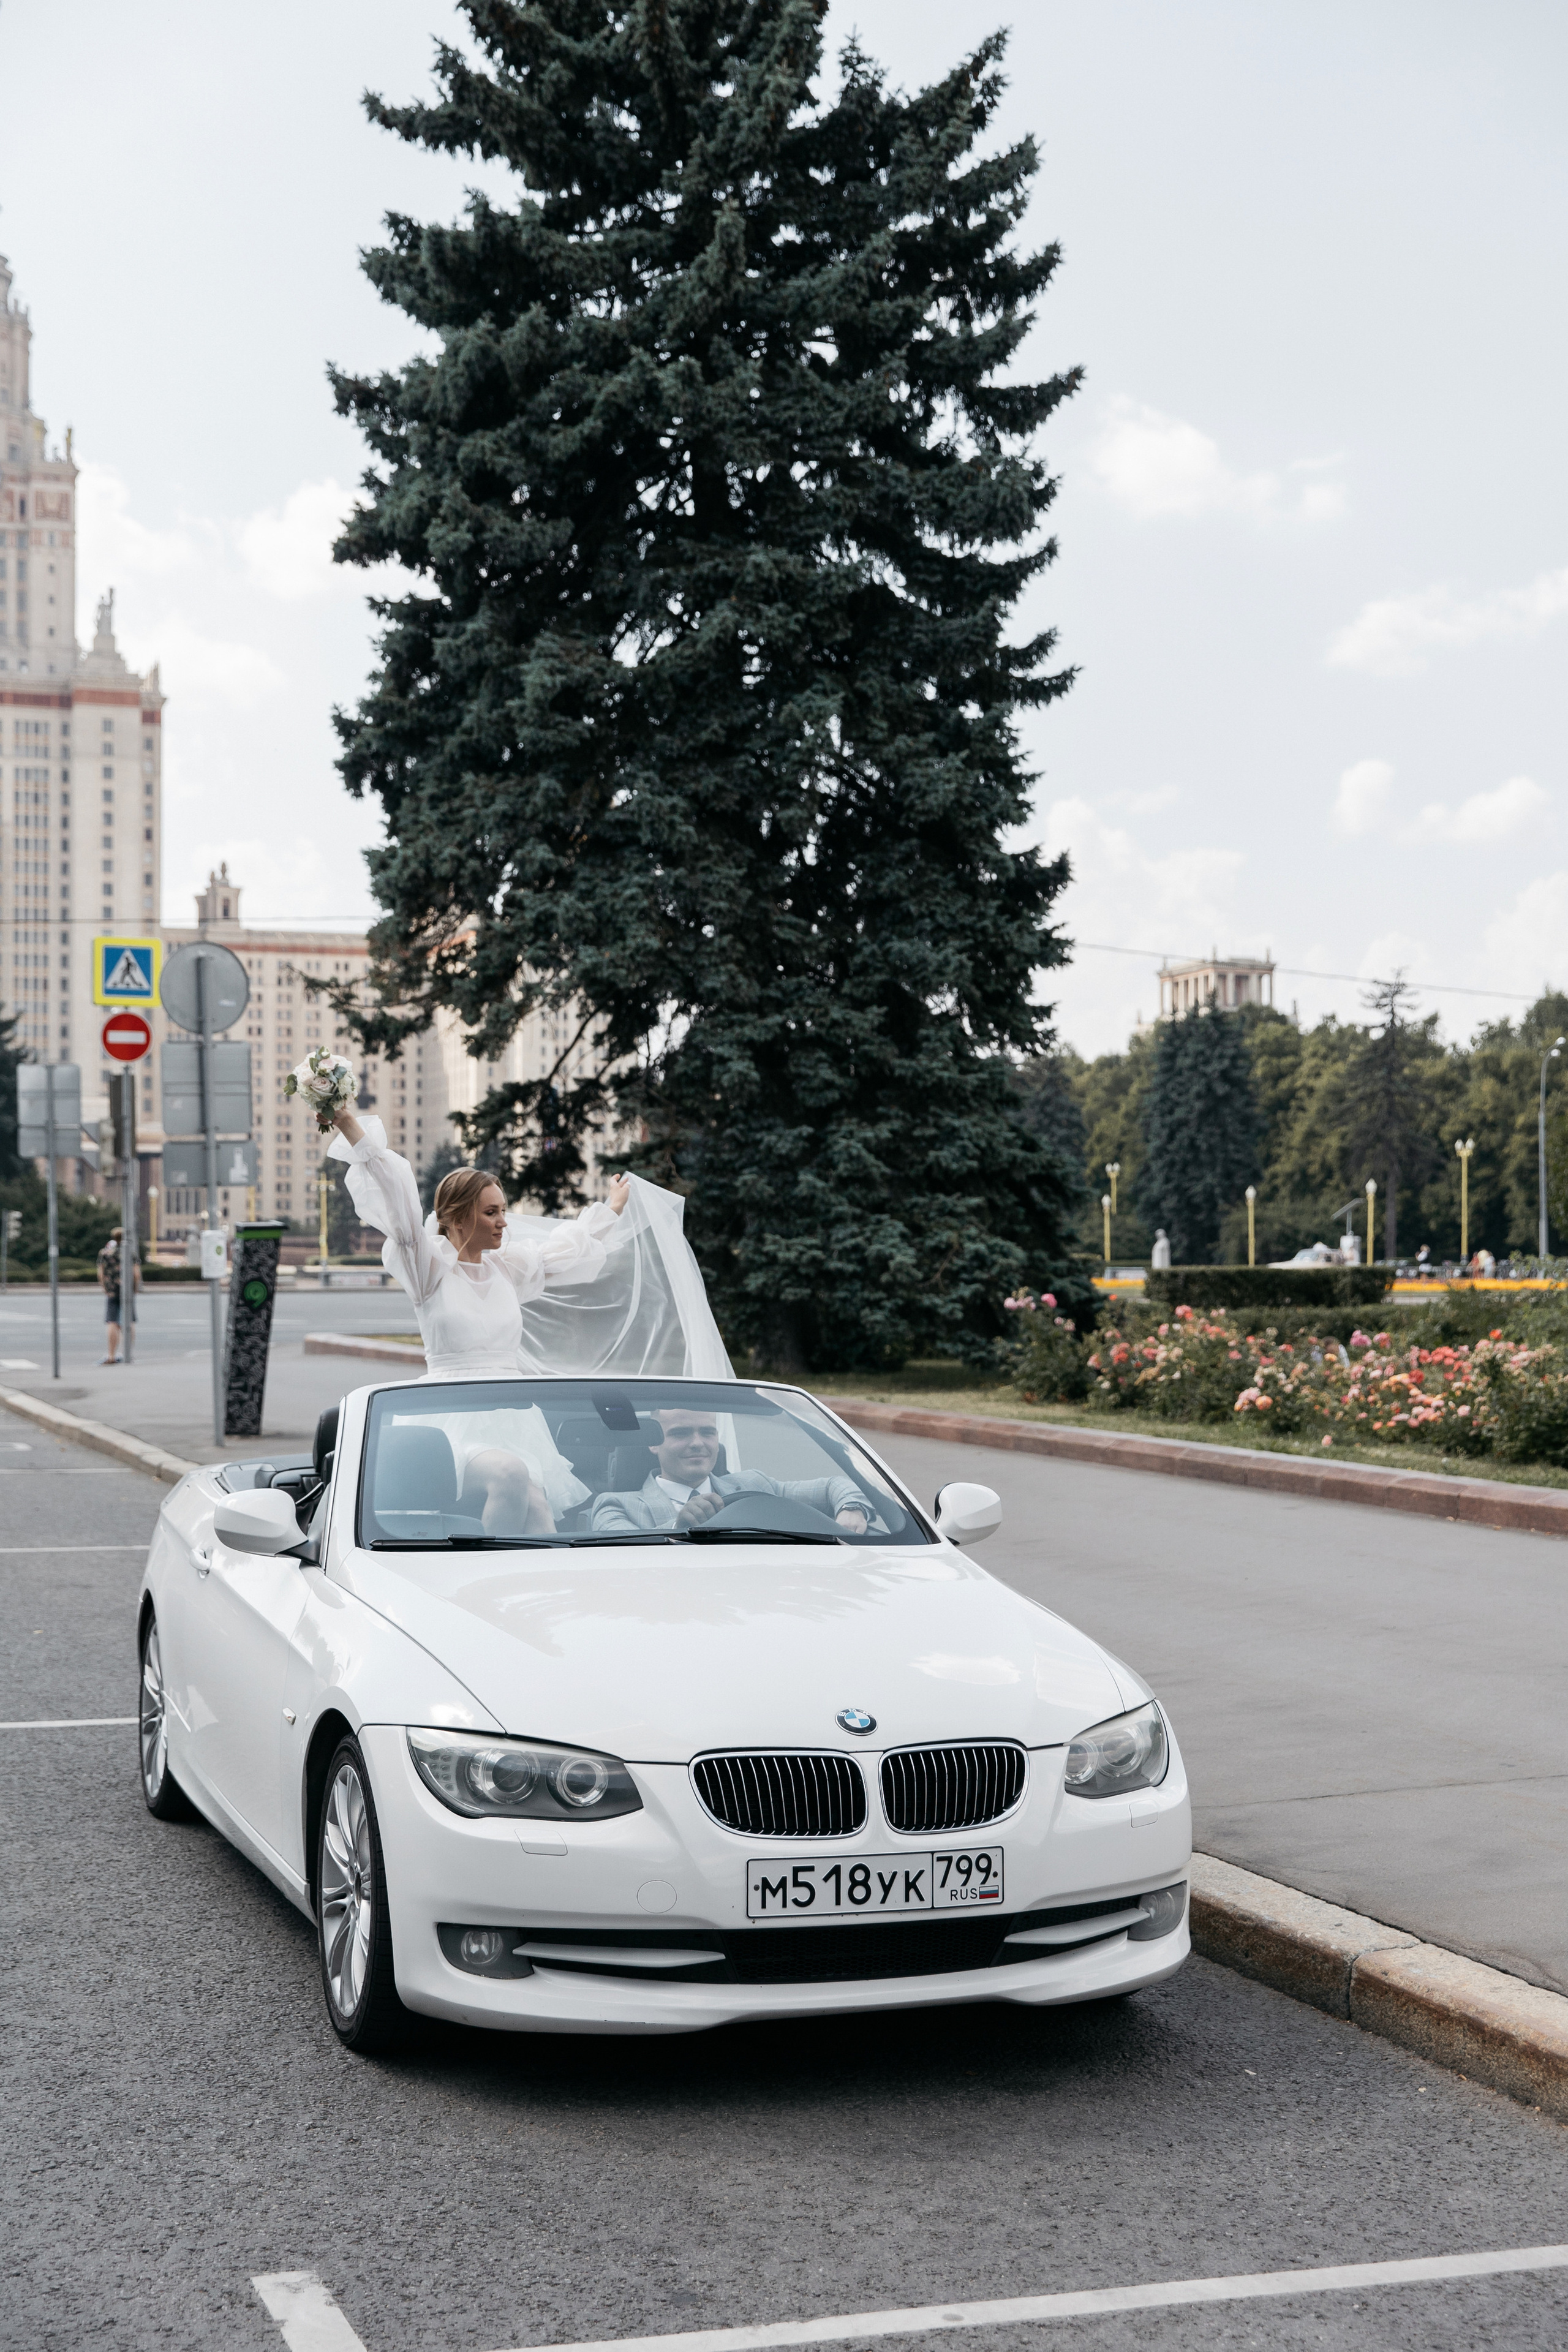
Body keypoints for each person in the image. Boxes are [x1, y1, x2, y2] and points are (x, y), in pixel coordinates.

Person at [328, 1104, 628, 1532]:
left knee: (540, 1510)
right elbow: (395, 1194)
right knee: (510, 1475)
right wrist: (346, 1123)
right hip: (450, 1420)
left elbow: (573, 1247)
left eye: (504, 1210)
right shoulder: (428, 1268)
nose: (504, 1222)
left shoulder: (508, 1268)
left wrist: (613, 1208)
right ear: (457, 1215)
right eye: (492, 1212)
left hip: (512, 1418)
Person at [590, 1405, 875, 1535]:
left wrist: (852, 1507)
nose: (698, 1443)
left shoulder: (755, 1484)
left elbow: (834, 1485)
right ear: (654, 1442)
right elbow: (626, 1552)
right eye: (681, 1433)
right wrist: (680, 1527)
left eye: (708, 1432)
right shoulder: (615, 1505)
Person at [97, 1226, 138, 1364]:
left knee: (112, 1321)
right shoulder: (130, 1253)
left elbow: (101, 1273)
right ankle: (127, 1353)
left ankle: (111, 1355)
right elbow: (136, 1274)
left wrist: (105, 1287)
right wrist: (135, 1289)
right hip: (127, 1291)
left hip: (112, 1291)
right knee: (129, 1321)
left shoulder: (105, 1253)